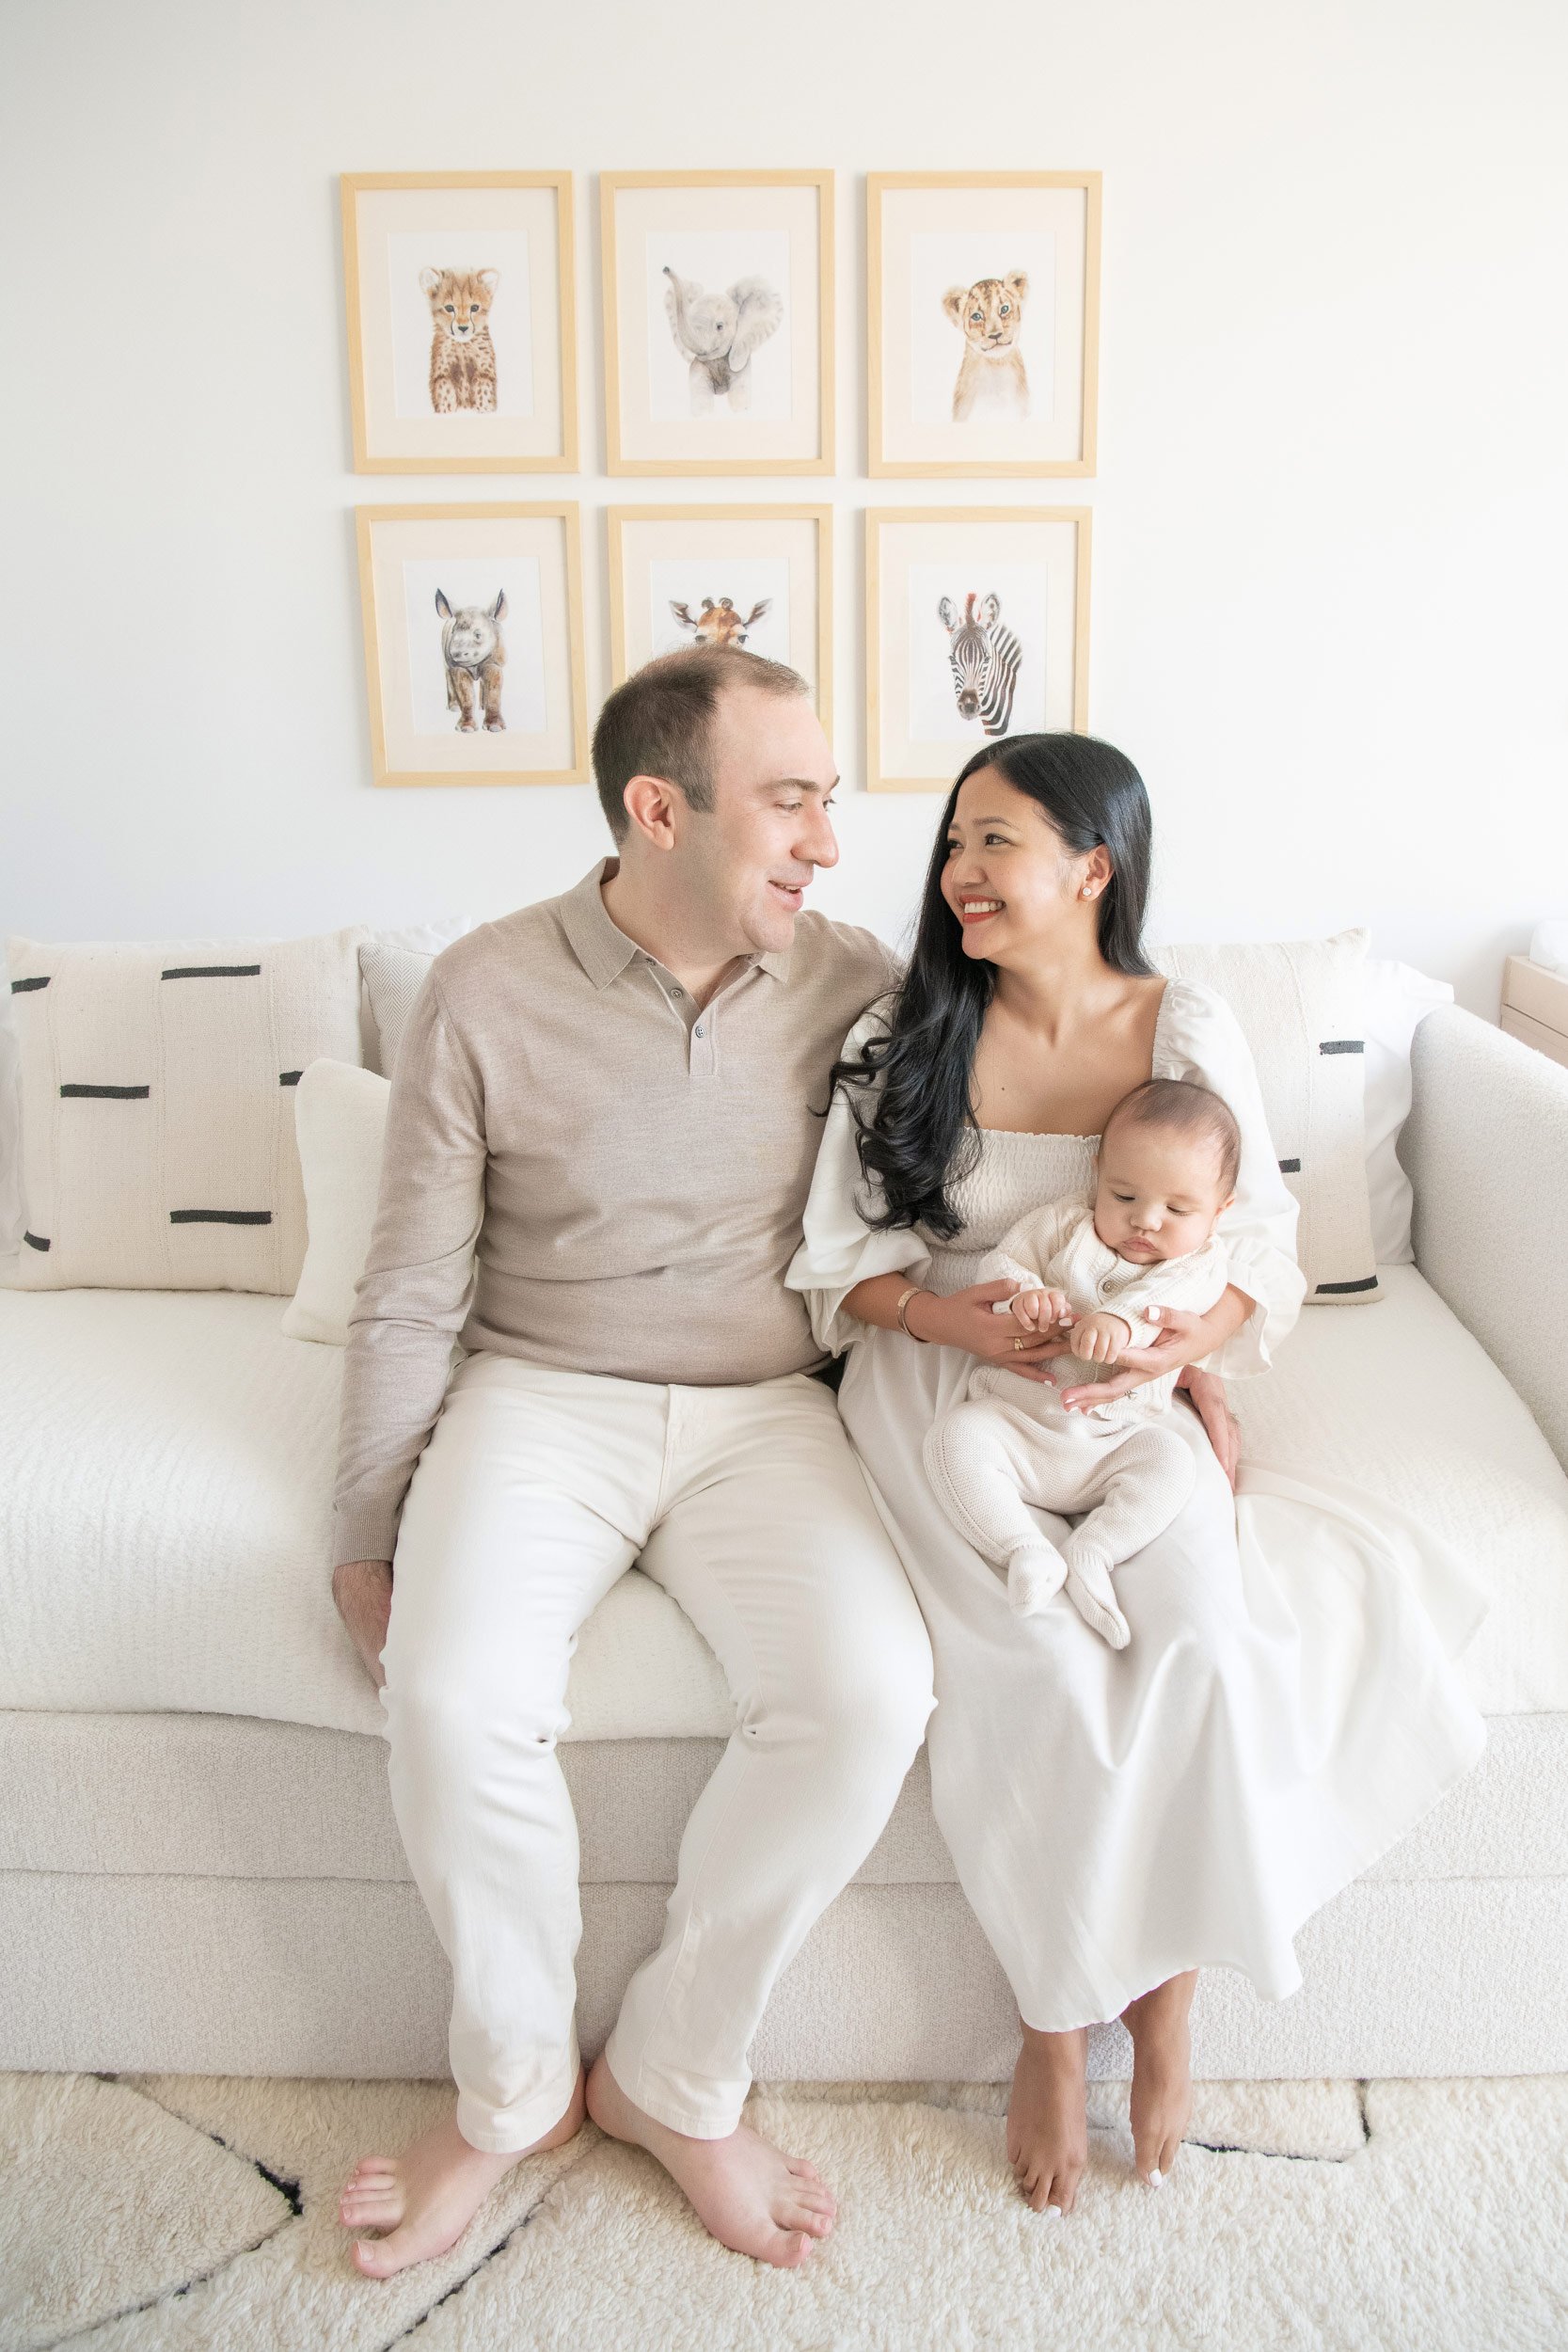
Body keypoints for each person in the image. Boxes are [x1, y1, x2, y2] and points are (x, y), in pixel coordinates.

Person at [787, 731, 1486, 2219]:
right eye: (953, 843)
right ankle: (1052, 2016)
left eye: (996, 843)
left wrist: (1177, 1364)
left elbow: (1252, 1257)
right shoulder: (897, 1031)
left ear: (1090, 868)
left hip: (1123, 1385)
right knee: (1031, 1656)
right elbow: (838, 1270)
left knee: (1202, 1639)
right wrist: (946, 1315)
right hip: (946, 1377)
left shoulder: (1183, 1031)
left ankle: (1164, 1992)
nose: (957, 872)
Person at [329, 646, 936, 2277]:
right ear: (657, 810)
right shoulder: (482, 989)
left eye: (828, 797)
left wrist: (1177, 1345)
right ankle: (514, 2091)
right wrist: (362, 1529)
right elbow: (408, 1288)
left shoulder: (856, 983)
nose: (823, 838)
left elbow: (1054, 1105)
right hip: (541, 1388)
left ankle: (673, 2076)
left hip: (768, 1409)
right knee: (450, 1699)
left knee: (870, 1693)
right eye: (788, 798)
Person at [925, 1077, 1239, 1640]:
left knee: (1172, 1462)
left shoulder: (1203, 1262)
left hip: (1114, 1440)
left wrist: (1121, 1321)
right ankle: (1023, 1549)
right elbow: (1005, 1261)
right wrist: (1026, 1294)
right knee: (953, 1439)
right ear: (1097, 1173)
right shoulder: (1062, 1224)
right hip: (1019, 1421)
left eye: (1179, 1208)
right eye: (1124, 1196)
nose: (1146, 1220)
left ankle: (1097, 1550)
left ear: (1219, 1212)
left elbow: (1169, 1303)